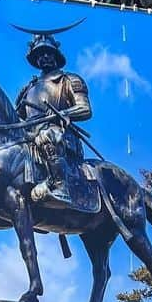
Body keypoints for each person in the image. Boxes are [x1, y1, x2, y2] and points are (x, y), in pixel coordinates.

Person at [15, 30, 95, 209]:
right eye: (39, 54)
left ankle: (60, 186)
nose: (43, 57)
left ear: (56, 55)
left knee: (48, 135)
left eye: (47, 53)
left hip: (60, 136)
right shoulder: (28, 88)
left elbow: (85, 108)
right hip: (30, 136)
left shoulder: (69, 80)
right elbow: (18, 116)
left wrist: (63, 114)